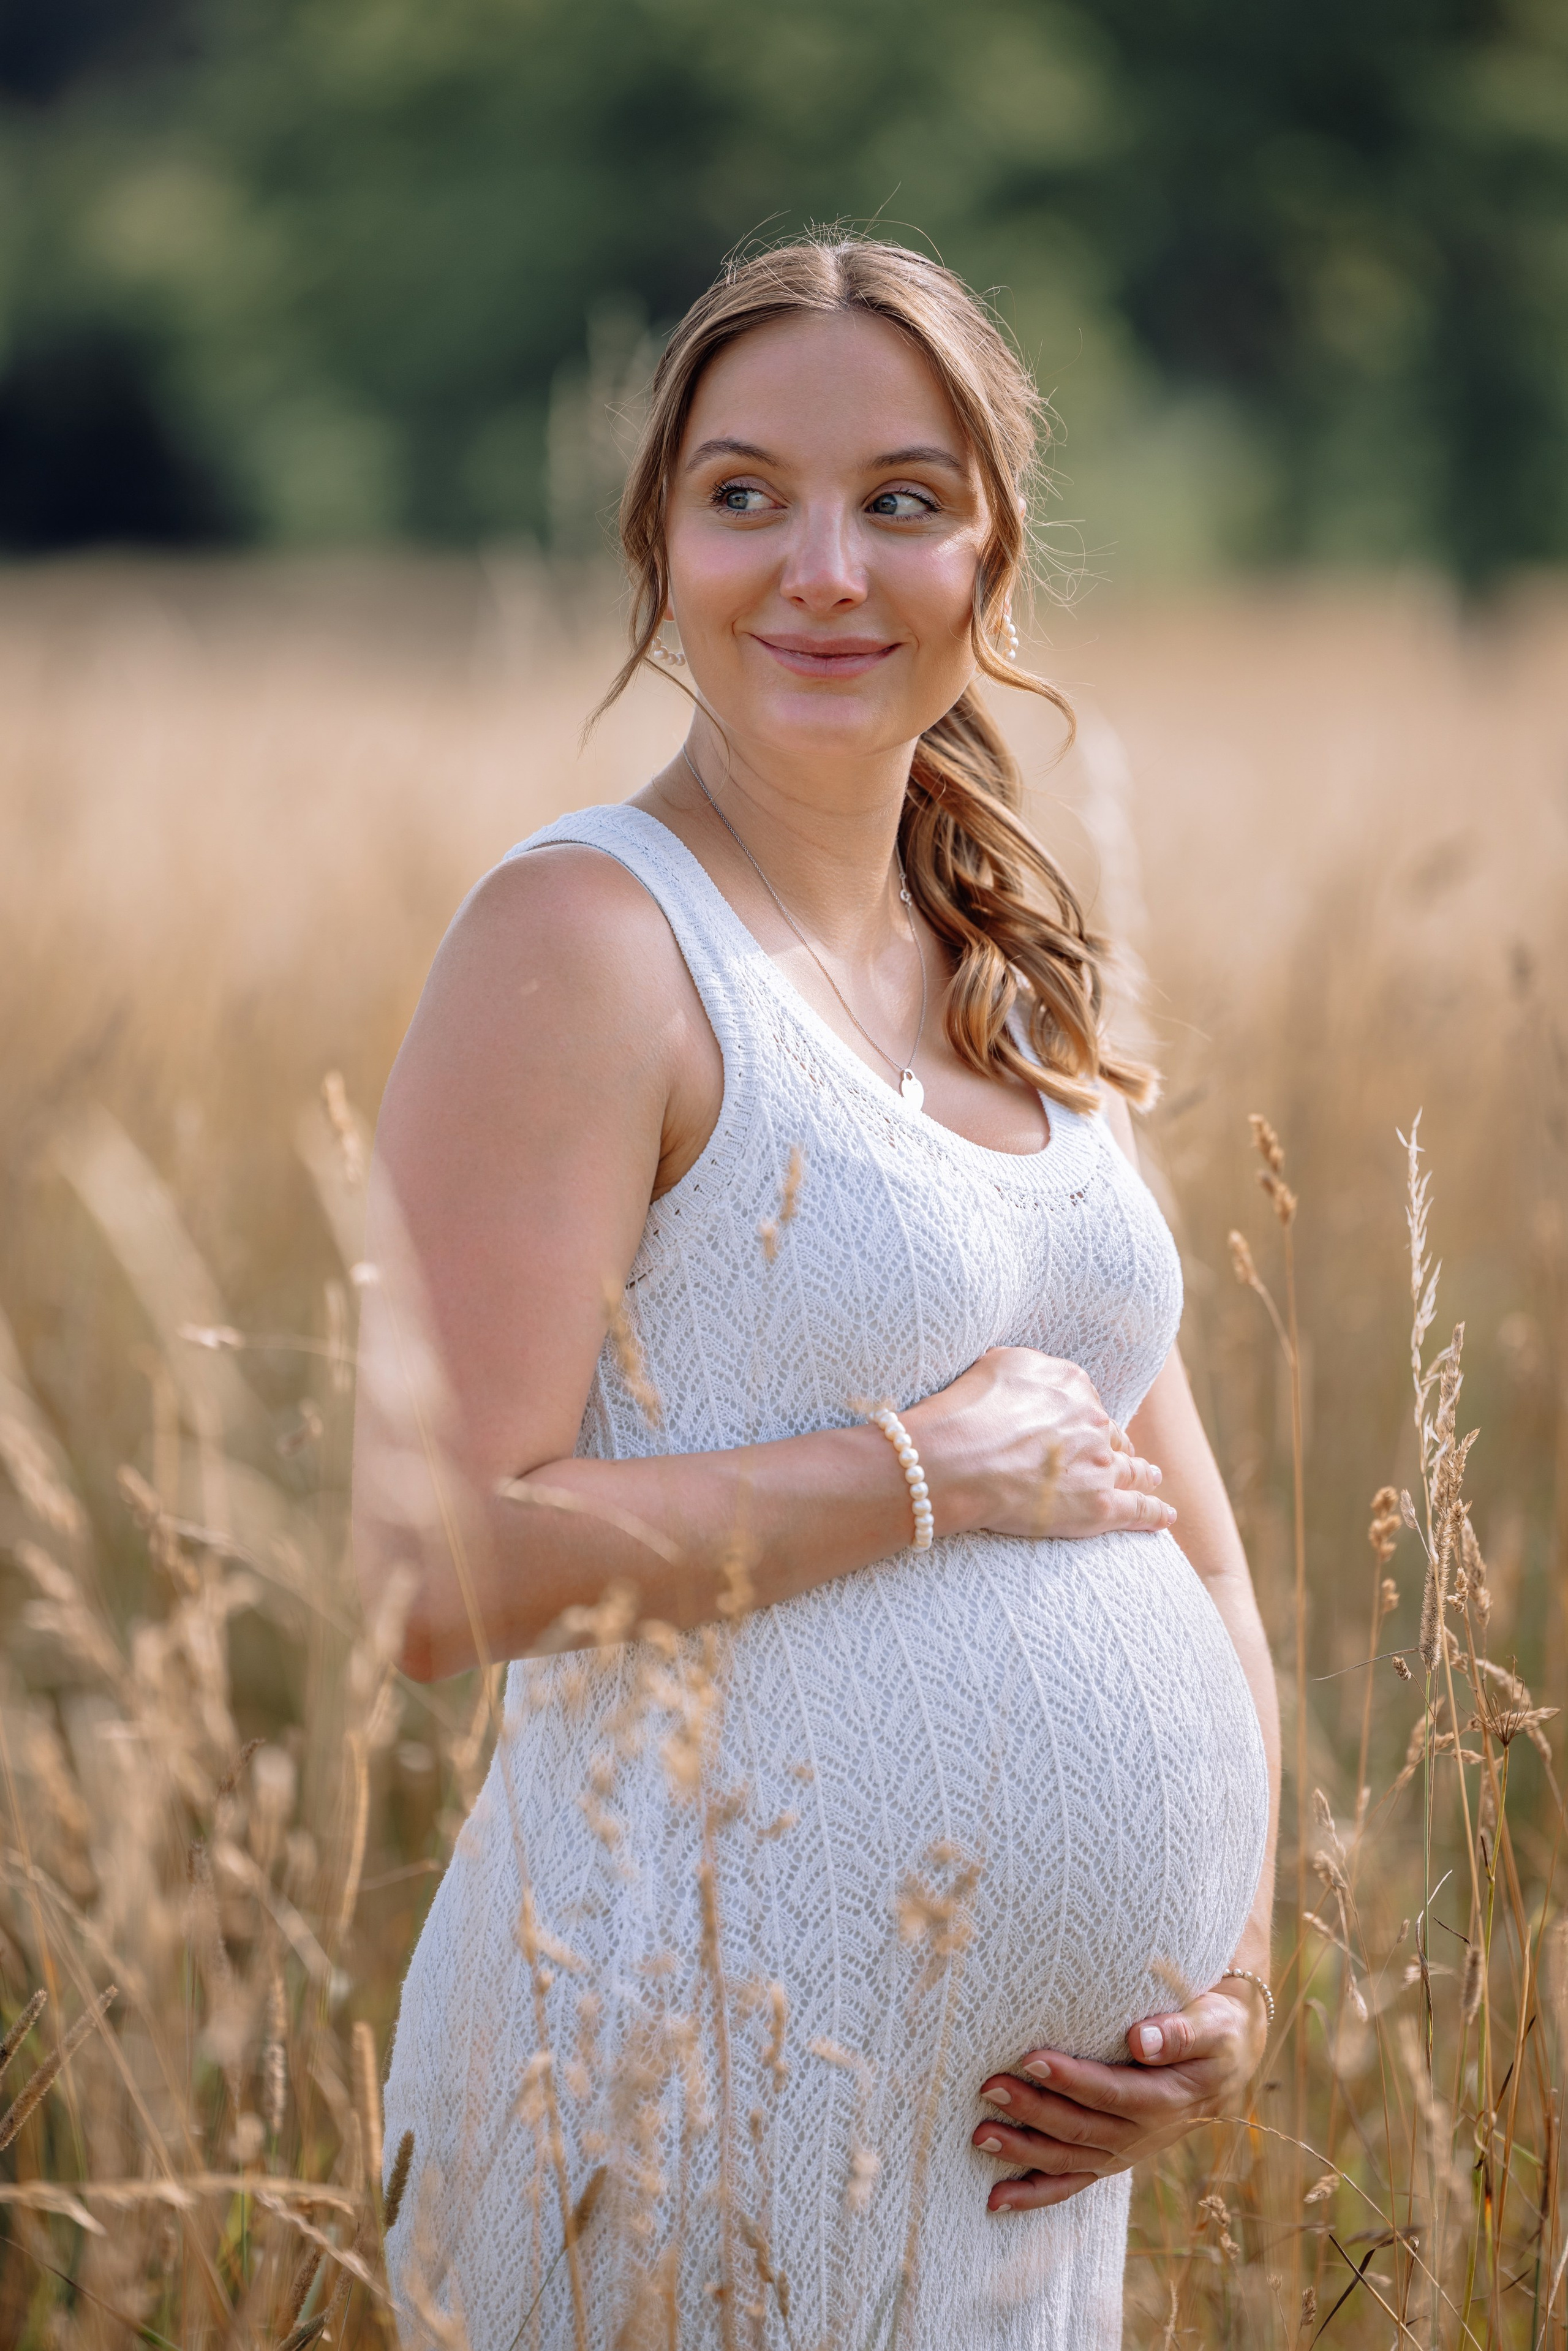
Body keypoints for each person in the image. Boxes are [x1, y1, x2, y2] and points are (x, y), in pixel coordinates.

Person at [359, 235, 1279, 2350]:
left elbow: (1199, 1556)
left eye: (903, 500)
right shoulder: (590, 941)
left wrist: (1225, 1979)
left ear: (993, 558)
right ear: (660, 547)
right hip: (673, 2102)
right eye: (747, 495)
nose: (825, 570)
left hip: (1019, 2170)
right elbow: (433, 1566)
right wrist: (915, 1473)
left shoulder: (1008, 976)